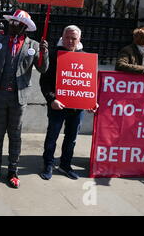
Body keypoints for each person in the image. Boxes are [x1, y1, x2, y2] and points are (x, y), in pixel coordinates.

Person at [0, 9, 49, 189]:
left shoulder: (35, 45)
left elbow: (43, 69)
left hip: (19, 97)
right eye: (11, 22)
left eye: (16, 23)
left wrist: (45, 53)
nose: (12, 25)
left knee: (15, 135)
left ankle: (13, 171)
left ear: (24, 27)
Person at [39, 25, 97, 180]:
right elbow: (44, 82)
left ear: (79, 40)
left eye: (74, 38)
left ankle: (65, 165)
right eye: (67, 37)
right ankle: (48, 164)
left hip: (77, 108)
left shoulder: (85, 57)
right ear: (62, 38)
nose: (70, 41)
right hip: (57, 105)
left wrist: (92, 102)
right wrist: (52, 99)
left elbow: (88, 83)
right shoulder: (53, 55)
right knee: (52, 136)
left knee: (71, 138)